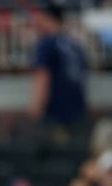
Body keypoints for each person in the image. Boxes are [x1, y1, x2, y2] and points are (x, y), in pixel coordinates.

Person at [29, 2, 88, 130]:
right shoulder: (74, 45)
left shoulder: (46, 44)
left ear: (48, 18)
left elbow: (43, 77)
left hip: (55, 115)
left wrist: (36, 109)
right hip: (78, 113)